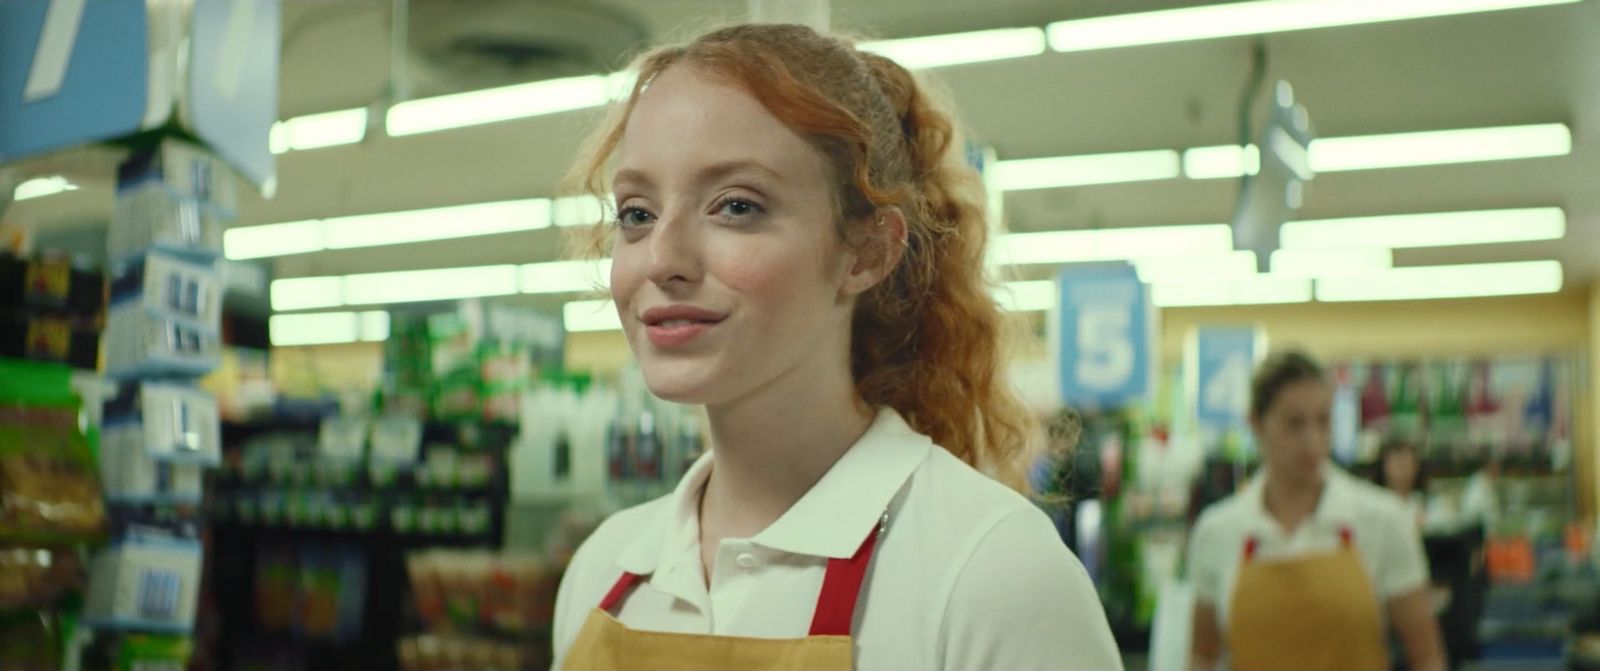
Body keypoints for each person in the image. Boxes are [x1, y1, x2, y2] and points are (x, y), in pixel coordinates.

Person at [548, 23, 1122, 671]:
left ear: (869, 251)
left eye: (736, 205)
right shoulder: (606, 569)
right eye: (636, 213)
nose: (663, 258)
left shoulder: (990, 572)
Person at [1188, 351, 1447, 671]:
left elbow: (1427, 658)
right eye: (1294, 424)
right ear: (1256, 424)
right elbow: (1201, 657)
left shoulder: (1383, 520)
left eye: (1323, 420)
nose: (1312, 440)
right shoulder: (1217, 531)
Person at [1375, 439, 1429, 529]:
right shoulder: (1374, 504)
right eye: (1396, 460)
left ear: (1416, 467)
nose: (1401, 465)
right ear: (1383, 466)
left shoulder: (1426, 505)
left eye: (1406, 460)